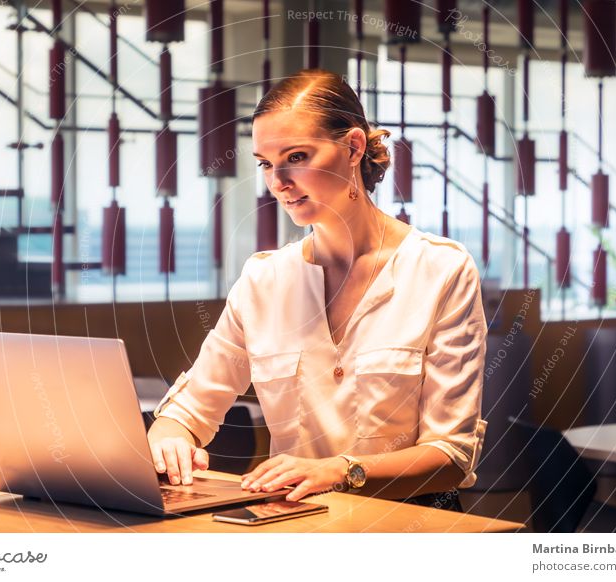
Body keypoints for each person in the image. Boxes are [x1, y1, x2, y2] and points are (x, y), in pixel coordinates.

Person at [147, 69, 487, 508]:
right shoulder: (263, 280)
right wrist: (171, 435)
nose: (278, 182)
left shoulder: (442, 269)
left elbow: (451, 457)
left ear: (353, 147)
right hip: (296, 529)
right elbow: (187, 412)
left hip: (411, 530)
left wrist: (339, 472)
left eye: (297, 156)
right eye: (266, 164)